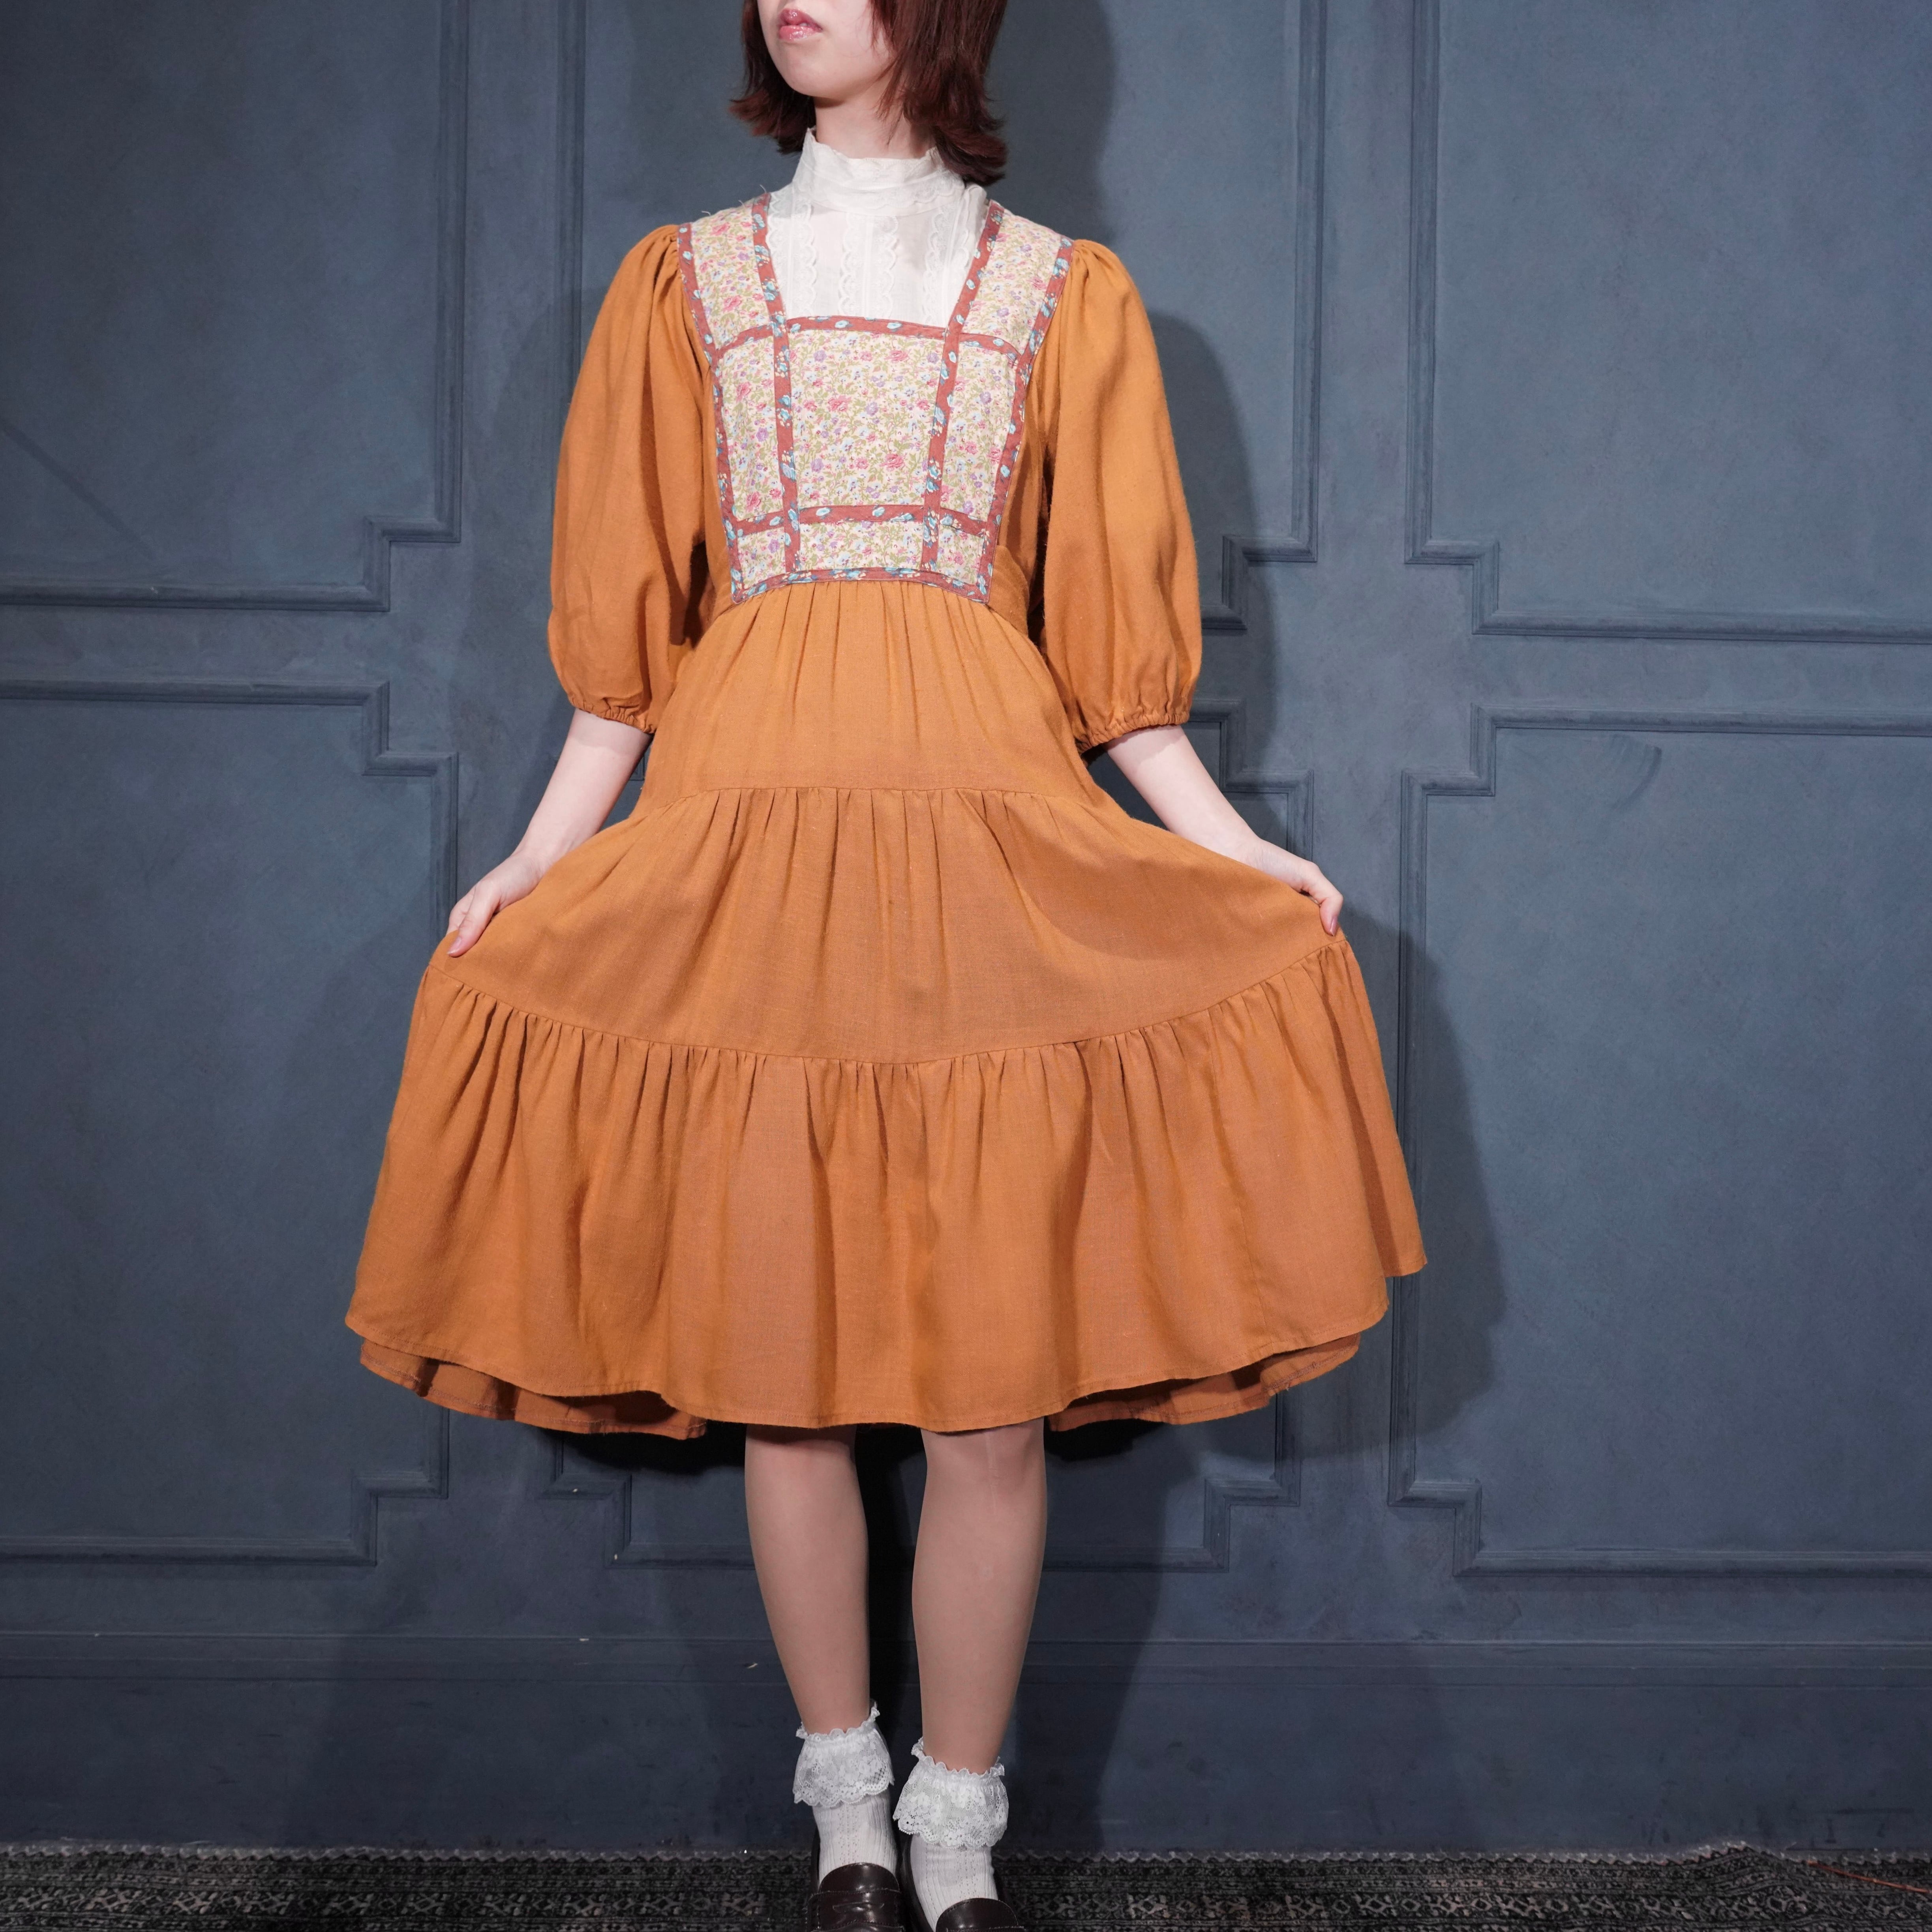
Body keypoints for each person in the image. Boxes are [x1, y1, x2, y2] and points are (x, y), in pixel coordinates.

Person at [345, 1, 1426, 1925]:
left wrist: (1240, 854)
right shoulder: (683, 282)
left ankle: (960, 1828)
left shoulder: (1063, 294)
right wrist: (533, 861)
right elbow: (623, 662)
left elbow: (1120, 680)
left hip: (983, 855)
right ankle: (845, 1813)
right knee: (790, 1379)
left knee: (987, 1395)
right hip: (749, 846)